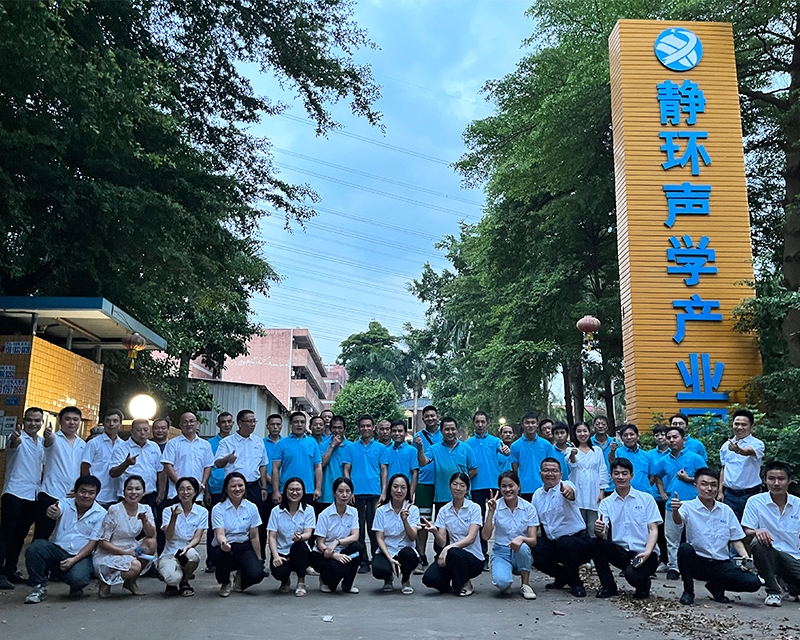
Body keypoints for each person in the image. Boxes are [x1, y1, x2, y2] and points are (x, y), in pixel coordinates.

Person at [671, 467, 760, 605]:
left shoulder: (726, 510)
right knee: (684, 549)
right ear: (696, 486)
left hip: (721, 563)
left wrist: (745, 557)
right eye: (704, 484)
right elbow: (678, 520)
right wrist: (675, 510)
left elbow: (736, 538)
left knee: (753, 582)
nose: (709, 488)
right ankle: (688, 591)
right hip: (698, 561)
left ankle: (716, 585)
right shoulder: (687, 506)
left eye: (713, 485)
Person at [22, 475, 106, 603]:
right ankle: (39, 587)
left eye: (91, 493)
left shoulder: (101, 513)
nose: (86, 496)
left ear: (96, 495)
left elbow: (93, 543)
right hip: (58, 552)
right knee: (36, 548)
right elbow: (56, 511)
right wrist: (52, 511)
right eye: (82, 491)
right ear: (75, 491)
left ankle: (76, 587)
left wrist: (73, 560)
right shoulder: (65, 503)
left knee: (78, 578)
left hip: (82, 556)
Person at [593, 458, 661, 599]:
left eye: (624, 473)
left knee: (633, 577)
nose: (620, 477)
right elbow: (602, 533)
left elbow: (653, 529)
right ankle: (608, 586)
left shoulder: (646, 499)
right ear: (611, 476)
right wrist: (598, 529)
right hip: (622, 552)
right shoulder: (606, 503)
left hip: (646, 552)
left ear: (631, 476)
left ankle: (643, 585)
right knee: (596, 544)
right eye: (616, 473)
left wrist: (647, 552)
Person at [652, 425, 707, 580]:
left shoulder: (695, 458)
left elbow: (706, 479)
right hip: (672, 504)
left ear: (683, 439)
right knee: (672, 538)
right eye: (669, 437)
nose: (671, 440)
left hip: (694, 505)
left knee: (695, 537)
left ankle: (695, 567)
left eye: (675, 437)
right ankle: (674, 567)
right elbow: (657, 476)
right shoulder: (664, 460)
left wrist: (688, 479)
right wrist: (662, 492)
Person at [742, 461, 800, 607]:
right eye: (771, 478)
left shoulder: (798, 504)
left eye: (781, 479)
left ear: (789, 480)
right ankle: (773, 591)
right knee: (758, 542)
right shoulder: (755, 501)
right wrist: (757, 531)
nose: (776, 483)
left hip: (794, 557)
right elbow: (746, 531)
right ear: (764, 480)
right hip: (770, 554)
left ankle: (789, 585)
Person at [530, 458, 590, 597]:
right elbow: (534, 523)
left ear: (561, 474)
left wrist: (569, 492)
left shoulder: (566, 485)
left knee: (565, 543)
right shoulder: (537, 495)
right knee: (533, 547)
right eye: (546, 470)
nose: (550, 474)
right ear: (540, 473)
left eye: (554, 471)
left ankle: (576, 583)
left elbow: (571, 492)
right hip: (554, 542)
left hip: (578, 541)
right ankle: (563, 577)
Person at [0, 407, 45, 589]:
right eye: (29, 420)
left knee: (19, 535)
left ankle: (10, 570)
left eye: (37, 420)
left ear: (42, 422)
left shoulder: (42, 443)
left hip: (32, 495)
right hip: (14, 493)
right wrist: (15, 439)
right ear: (24, 421)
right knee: (6, 534)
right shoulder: (18, 438)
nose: (33, 423)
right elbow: (14, 443)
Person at [420, 472, 484, 596]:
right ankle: (454, 584)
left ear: (467, 489)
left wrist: (447, 548)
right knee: (429, 578)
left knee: (454, 552)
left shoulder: (474, 508)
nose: (458, 488)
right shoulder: (444, 510)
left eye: (462, 485)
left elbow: (471, 538)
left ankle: (466, 583)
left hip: (473, 559)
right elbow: (442, 542)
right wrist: (435, 532)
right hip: (452, 556)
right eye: (455, 484)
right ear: (449, 487)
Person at [94, 475, 156, 598]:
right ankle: (105, 582)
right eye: (130, 489)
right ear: (124, 492)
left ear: (144, 492)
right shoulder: (114, 510)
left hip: (131, 547)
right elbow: (102, 542)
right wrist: (127, 553)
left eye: (137, 489)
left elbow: (151, 534)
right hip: (110, 551)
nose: (133, 492)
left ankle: (130, 582)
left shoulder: (145, 508)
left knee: (151, 542)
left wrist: (145, 520)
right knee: (135, 566)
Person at [342, 414, 389, 573]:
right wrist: (349, 491)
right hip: (357, 494)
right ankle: (362, 561)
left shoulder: (381, 448)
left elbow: (384, 471)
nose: (366, 428)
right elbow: (346, 470)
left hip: (375, 493)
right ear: (358, 428)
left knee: (374, 528)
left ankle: (377, 559)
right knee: (359, 529)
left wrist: (384, 492)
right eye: (362, 426)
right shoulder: (351, 447)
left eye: (369, 425)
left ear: (373, 428)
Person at [482, 471, 538, 600]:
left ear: (518, 486)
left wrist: (522, 538)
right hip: (500, 551)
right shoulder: (495, 506)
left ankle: (525, 584)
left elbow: (533, 540)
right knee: (502, 583)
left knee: (523, 547)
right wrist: (491, 512)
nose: (507, 490)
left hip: (520, 552)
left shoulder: (529, 508)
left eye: (511, 485)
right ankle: (505, 581)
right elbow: (485, 536)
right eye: (504, 486)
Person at [35, 406, 86, 541]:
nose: (72, 422)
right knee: (42, 535)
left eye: (75, 419)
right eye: (67, 419)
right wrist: (48, 434)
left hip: (71, 497)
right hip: (50, 493)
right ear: (60, 421)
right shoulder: (54, 438)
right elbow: (48, 441)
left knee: (65, 537)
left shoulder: (83, 444)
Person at [465, 411, 509, 565]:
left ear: (488, 423)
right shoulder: (468, 443)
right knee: (479, 521)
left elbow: (504, 451)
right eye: (477, 421)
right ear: (474, 423)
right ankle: (482, 554)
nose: (480, 425)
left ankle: (504, 551)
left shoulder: (496, 441)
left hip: (494, 486)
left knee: (500, 519)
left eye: (483, 421)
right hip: (476, 486)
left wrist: (506, 451)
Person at [211, 472, 264, 597]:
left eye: (240, 485)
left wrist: (259, 559)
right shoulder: (218, 508)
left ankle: (240, 578)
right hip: (225, 545)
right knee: (223, 555)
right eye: (233, 486)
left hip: (243, 545)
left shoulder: (251, 507)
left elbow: (254, 536)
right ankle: (225, 582)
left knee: (257, 574)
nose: (237, 489)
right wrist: (223, 543)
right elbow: (219, 533)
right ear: (226, 489)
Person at [311, 477, 364, 593]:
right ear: (334, 493)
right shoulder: (324, 515)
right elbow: (320, 544)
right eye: (340, 491)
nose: (344, 495)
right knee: (339, 570)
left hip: (343, 550)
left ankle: (348, 585)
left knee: (358, 548)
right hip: (325, 553)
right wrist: (335, 555)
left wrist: (336, 542)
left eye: (348, 491)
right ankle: (324, 580)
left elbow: (355, 536)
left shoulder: (353, 512)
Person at [157, 476, 206, 597]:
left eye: (189, 489)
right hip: (169, 553)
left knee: (193, 555)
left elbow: (197, 538)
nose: (185, 492)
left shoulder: (202, 512)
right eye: (181, 489)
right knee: (172, 579)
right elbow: (168, 537)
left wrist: (188, 547)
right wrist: (174, 517)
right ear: (177, 492)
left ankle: (184, 581)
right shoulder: (168, 510)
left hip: (186, 551)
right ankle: (173, 581)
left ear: (195, 492)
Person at [372, 473, 420, 594]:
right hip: (387, 550)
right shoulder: (381, 510)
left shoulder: (413, 510)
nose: (399, 491)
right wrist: (390, 558)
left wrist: (405, 520)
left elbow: (412, 537)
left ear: (408, 490)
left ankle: (406, 579)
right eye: (395, 486)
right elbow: (379, 538)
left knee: (410, 556)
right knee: (378, 569)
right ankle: (388, 578)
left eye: (403, 487)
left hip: (405, 550)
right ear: (390, 488)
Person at [267, 477, 315, 597]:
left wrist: (300, 537)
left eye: (298, 489)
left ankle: (301, 582)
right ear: (285, 491)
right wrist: (275, 556)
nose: (294, 492)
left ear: (303, 492)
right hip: (282, 551)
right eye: (291, 489)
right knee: (278, 572)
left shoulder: (309, 510)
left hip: (300, 551)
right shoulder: (276, 511)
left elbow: (308, 533)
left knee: (300, 546)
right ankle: (285, 581)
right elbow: (272, 536)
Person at [718, 409, 764, 520]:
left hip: (751, 494)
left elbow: (749, 451)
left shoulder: (757, 444)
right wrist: (720, 492)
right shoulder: (725, 446)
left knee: (751, 525)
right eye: (736, 424)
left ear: (751, 427)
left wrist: (738, 450)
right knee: (730, 525)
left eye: (744, 424)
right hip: (729, 495)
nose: (739, 427)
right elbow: (724, 469)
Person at [413, 405, 443, 574]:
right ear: (423, 419)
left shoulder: (445, 434)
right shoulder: (418, 437)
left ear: (437, 417)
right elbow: (417, 461)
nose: (430, 418)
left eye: (433, 415)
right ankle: (421, 555)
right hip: (423, 483)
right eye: (427, 416)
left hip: (442, 483)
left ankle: (441, 554)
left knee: (442, 521)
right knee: (423, 522)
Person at [161, 412, 213, 503]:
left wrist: (202, 485)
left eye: (191, 421)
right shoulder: (172, 443)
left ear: (197, 423)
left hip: (197, 494)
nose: (189, 424)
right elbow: (168, 466)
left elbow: (208, 467)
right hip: (176, 493)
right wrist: (181, 485)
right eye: (185, 422)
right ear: (180, 425)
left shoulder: (205, 445)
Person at [272, 412, 322, 506]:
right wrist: (276, 491)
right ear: (290, 424)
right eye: (296, 422)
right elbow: (275, 468)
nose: (299, 425)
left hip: (308, 490)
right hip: (286, 490)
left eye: (302, 422)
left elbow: (318, 467)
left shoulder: (313, 443)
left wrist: (318, 489)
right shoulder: (281, 443)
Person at [568, 421, 609, 536]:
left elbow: (602, 470)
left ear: (589, 432)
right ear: (575, 434)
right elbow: (572, 464)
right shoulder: (570, 450)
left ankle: (595, 546)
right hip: (578, 490)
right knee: (578, 525)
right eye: (579, 431)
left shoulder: (597, 450)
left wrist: (601, 492)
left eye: (585, 431)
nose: (582, 434)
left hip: (594, 491)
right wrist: (573, 454)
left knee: (593, 525)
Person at [204, 412, 233, 572]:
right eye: (223, 422)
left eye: (229, 422)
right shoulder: (210, 444)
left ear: (233, 423)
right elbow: (207, 467)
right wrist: (206, 491)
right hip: (215, 488)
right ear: (218, 424)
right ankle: (212, 561)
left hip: (233, 490)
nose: (226, 425)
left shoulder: (235, 441)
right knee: (213, 526)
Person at [80, 409, 123, 508]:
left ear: (120, 424)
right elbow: (85, 467)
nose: (111, 424)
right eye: (108, 421)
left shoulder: (124, 445)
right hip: (97, 496)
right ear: (103, 424)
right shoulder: (93, 443)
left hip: (117, 495)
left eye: (115, 421)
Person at [510, 411, 556, 501]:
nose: (530, 425)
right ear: (522, 424)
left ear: (537, 424)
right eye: (527, 423)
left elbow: (551, 466)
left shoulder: (546, 445)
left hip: (543, 487)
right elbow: (515, 469)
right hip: (524, 488)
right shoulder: (515, 446)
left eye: (533, 422)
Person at [649, 423, 671, 572]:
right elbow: (652, 475)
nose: (660, 437)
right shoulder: (650, 454)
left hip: (673, 496)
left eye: (663, 434)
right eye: (657, 435)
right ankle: (663, 559)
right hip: (656, 497)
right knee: (660, 530)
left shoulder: (675, 452)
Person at [319, 415, 351, 516]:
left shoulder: (351, 446)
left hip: (345, 493)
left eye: (340, 428)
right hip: (326, 493)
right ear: (330, 429)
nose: (337, 430)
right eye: (334, 427)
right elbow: (322, 463)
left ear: (345, 429)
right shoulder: (323, 445)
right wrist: (332, 446)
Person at [385, 419, 419, 494]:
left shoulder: (412, 451)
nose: (397, 434)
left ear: (406, 433)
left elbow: (415, 474)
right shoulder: (386, 451)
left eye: (400, 431)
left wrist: (411, 493)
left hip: (405, 490)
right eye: (394, 431)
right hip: (389, 491)